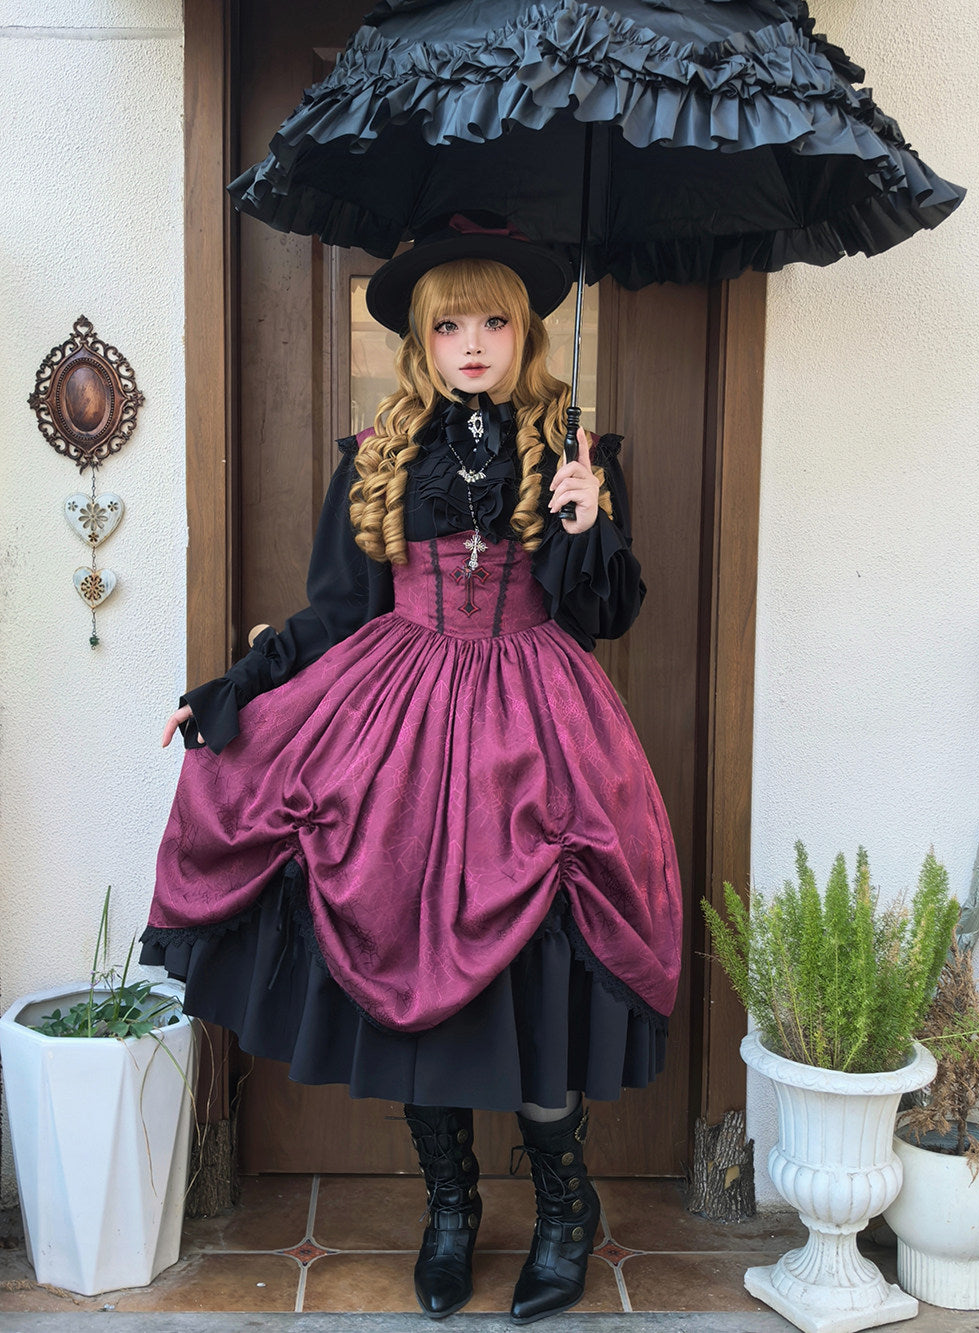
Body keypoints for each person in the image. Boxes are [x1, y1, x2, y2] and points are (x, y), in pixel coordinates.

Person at [141, 215, 683, 1324]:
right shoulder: (378, 455)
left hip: (537, 731)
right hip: (402, 734)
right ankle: (451, 1206)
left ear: (525, 330)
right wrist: (232, 689)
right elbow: (335, 613)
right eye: (449, 325)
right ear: (420, 340)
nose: (472, 343)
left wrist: (588, 523)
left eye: (493, 322)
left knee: (534, 966)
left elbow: (601, 615)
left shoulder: (572, 449)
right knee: (401, 949)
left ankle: (565, 1210)